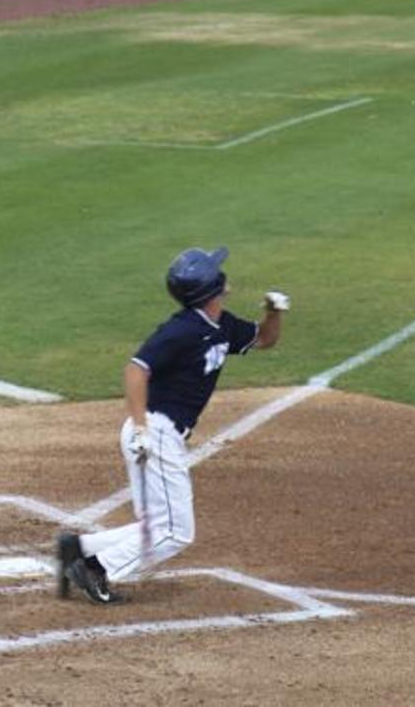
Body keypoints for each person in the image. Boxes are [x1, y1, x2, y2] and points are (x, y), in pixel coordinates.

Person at [55, 247, 289, 604]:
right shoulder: (180, 331)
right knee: (176, 533)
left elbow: (264, 338)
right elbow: (136, 370)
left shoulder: (221, 324)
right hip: (154, 433)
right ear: (213, 286)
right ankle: (98, 567)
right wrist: (141, 429)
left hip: (158, 434)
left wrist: (274, 312)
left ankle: (80, 549)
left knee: (160, 526)